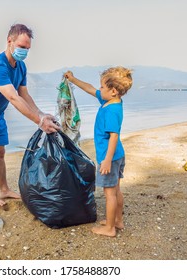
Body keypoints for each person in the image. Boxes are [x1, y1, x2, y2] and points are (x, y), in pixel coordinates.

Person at [0, 24, 59, 208]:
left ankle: (4, 189)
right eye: (22, 47)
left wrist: (42, 114)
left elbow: (24, 95)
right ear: (10, 41)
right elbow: (12, 97)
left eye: (28, 48)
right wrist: (38, 121)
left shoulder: (21, 67)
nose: (25, 51)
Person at [64, 67, 133, 237]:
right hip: (118, 155)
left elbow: (114, 136)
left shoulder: (110, 110)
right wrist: (73, 79)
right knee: (116, 190)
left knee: (109, 193)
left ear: (113, 90)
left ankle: (109, 228)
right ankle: (117, 221)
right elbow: (89, 88)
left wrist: (107, 160)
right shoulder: (111, 101)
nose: (99, 89)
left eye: (102, 87)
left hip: (110, 156)